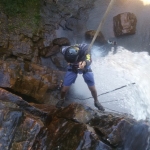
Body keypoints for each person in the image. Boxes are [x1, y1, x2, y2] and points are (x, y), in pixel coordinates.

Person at [56, 43, 105, 111]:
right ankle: (62, 99)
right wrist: (69, 62)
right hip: (72, 67)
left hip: (84, 66)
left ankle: (96, 101)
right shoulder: (64, 50)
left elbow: (89, 59)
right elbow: (61, 49)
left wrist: (84, 63)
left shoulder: (85, 49)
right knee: (64, 89)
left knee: (92, 88)